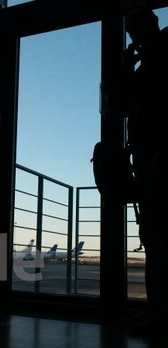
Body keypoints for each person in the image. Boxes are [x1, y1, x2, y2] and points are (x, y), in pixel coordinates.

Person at [122, 7, 168, 333]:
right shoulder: (146, 65)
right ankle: (156, 309)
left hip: (157, 158)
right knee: (152, 236)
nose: (133, 38)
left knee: (160, 236)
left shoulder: (162, 57)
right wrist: (128, 67)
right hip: (146, 157)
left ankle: (162, 312)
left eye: (134, 30)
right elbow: (125, 104)